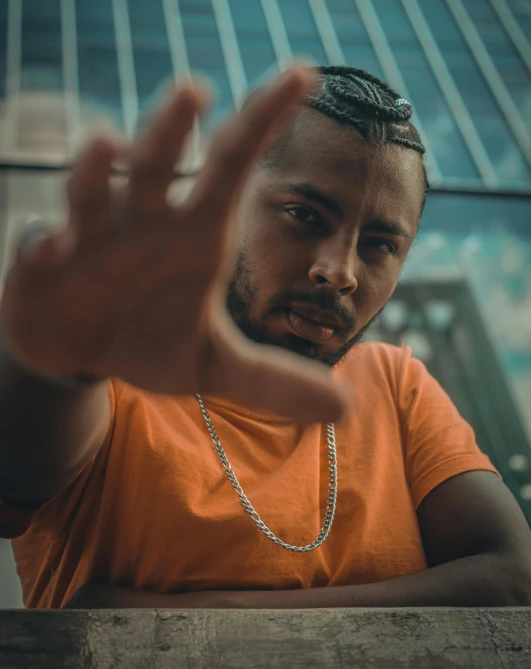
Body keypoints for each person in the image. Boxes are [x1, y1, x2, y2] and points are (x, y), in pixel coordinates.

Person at [0, 66, 530, 611]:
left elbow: (511, 580)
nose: (339, 271)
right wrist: (58, 369)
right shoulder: (117, 369)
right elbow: (17, 468)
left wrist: (200, 616)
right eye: (304, 215)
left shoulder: (395, 383)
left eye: (378, 246)